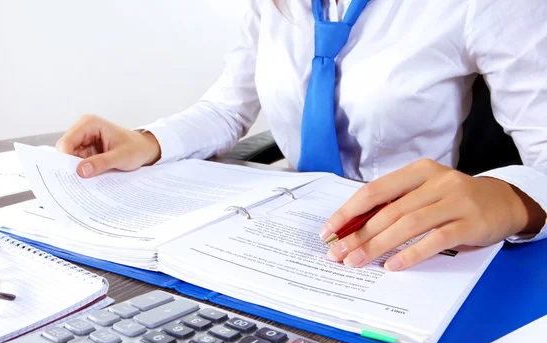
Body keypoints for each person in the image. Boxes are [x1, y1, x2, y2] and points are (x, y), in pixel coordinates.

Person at [56, 0, 547, 272]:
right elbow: (227, 108)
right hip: (289, 228)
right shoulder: (271, 4)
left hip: (405, 241)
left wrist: (515, 202)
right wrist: (148, 140)